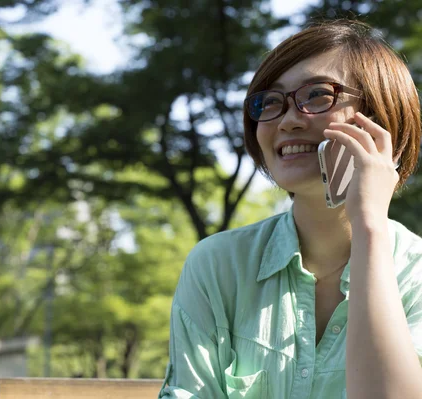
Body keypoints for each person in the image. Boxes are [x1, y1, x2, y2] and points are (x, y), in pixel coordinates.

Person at [158, 19, 422, 399]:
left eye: (317, 95)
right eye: (271, 102)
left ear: (381, 120)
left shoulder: (414, 273)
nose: (288, 119)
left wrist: (370, 229)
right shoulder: (217, 265)